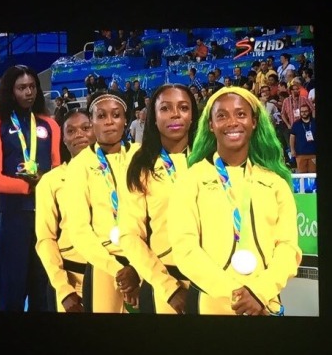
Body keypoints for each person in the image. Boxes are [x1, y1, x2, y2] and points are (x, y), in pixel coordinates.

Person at [167, 86, 302, 315]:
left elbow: (288, 248)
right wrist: (238, 295)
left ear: (254, 122)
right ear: (211, 125)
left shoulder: (275, 183)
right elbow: (185, 249)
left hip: (265, 303)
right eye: (222, 116)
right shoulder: (191, 180)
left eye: (241, 114)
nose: (232, 122)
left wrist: (260, 292)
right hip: (209, 304)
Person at [0, 64, 61, 312]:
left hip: (46, 215)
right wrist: (30, 187)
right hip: (12, 215)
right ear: (10, 91)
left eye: (32, 87)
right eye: (21, 88)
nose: (29, 92)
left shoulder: (50, 124)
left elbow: (59, 171)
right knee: (11, 289)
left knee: (43, 286)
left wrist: (46, 186)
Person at [118, 83, 198, 314]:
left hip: (213, 284)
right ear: (153, 117)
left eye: (183, 107)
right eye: (165, 108)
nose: (175, 114)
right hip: (163, 285)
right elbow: (130, 234)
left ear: (193, 116)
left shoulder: (211, 161)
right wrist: (169, 288)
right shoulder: (141, 166)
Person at [64, 90, 141, 313]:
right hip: (104, 265)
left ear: (126, 120)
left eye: (116, 115)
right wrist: (118, 270)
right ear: (92, 122)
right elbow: (79, 230)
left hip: (144, 262)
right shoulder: (80, 165)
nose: (109, 122)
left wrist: (137, 267)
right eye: (101, 116)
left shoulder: (141, 156)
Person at [35, 107, 96, 312]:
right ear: (63, 139)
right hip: (73, 281)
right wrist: (63, 289)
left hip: (116, 279)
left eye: (86, 128)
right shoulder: (50, 181)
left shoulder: (118, 172)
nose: (79, 134)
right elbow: (45, 239)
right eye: (71, 131)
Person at [290, 103, 316, 173]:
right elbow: (292, 138)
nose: (304, 113)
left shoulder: (314, 122)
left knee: (313, 175)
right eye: (302, 112)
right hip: (300, 154)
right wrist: (292, 150)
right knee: (301, 175)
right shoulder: (296, 124)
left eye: (306, 111)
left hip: (313, 153)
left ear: (309, 111)